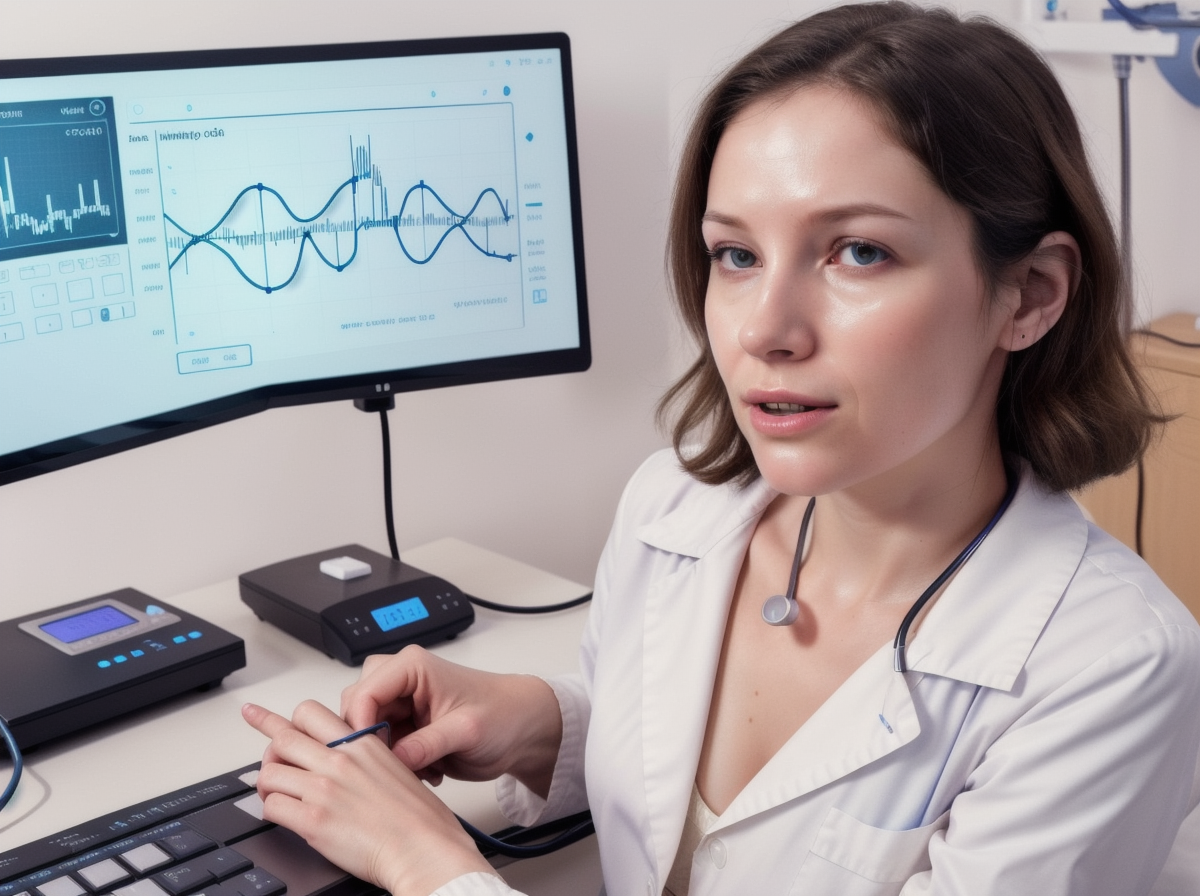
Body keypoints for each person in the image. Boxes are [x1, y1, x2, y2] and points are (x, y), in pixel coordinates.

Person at [242, 3, 1200, 894]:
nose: (764, 329)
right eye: (736, 255)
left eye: (857, 252)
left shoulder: (1113, 669)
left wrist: (431, 866)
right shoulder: (673, 512)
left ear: (1029, 294)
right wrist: (548, 725)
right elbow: (714, 811)